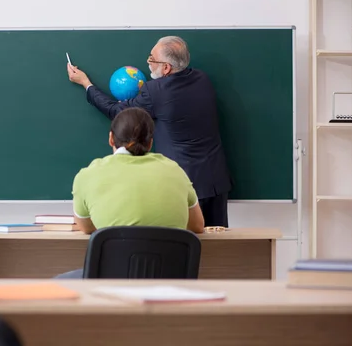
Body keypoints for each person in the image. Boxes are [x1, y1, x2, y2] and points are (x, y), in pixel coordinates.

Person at [67, 36, 232, 228]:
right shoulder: (202, 79)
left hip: (184, 185)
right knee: (218, 248)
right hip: (216, 181)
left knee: (185, 247)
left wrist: (86, 84)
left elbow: (116, 112)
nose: (148, 62)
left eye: (152, 59)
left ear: (166, 68)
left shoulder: (155, 91)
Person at [55, 107, 204, 279]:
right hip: (169, 281)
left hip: (111, 281)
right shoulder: (175, 170)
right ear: (150, 142)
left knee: (59, 282)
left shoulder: (88, 175)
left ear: (111, 138)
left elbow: (87, 227)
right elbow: (197, 226)